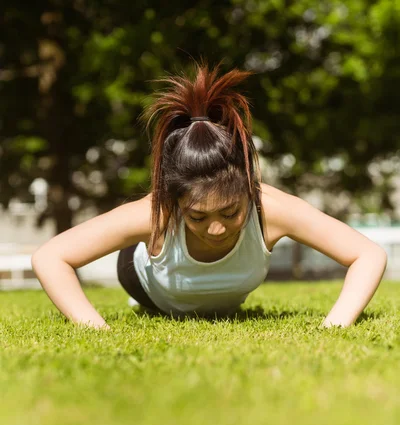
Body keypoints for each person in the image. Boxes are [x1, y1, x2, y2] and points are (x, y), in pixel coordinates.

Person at [31, 61, 387, 330]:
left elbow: (367, 255)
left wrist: (334, 327)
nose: (216, 229)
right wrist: (97, 332)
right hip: (147, 281)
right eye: (198, 217)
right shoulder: (155, 214)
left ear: (249, 190)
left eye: (230, 213)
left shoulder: (271, 210)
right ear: (175, 201)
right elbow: (51, 258)